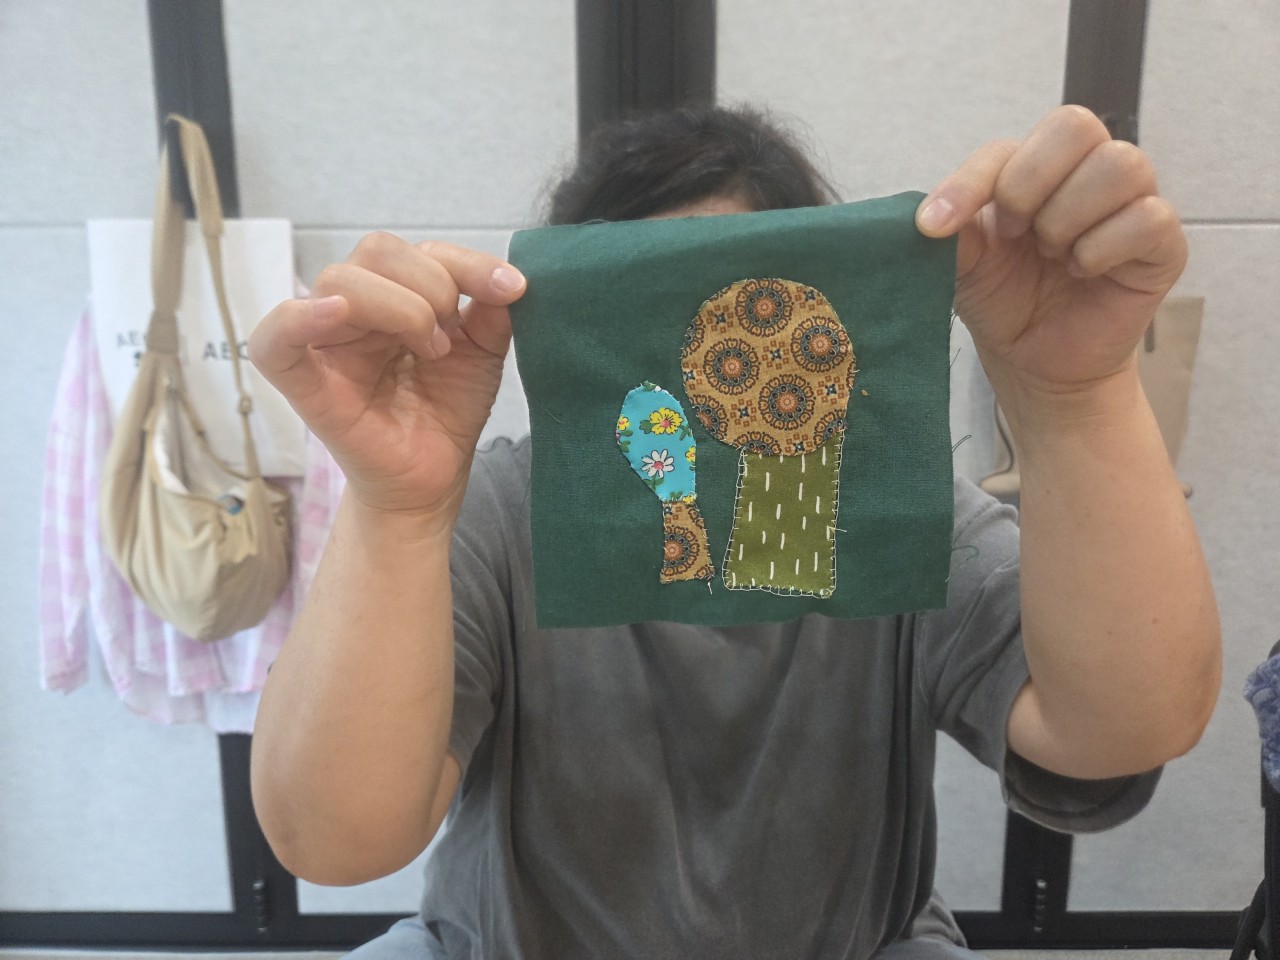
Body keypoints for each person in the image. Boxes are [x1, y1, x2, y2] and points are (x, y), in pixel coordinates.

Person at [246, 105, 1222, 959]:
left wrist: (1074, 396)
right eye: (644, 308)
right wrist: (395, 508)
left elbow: (1123, 727)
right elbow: (330, 838)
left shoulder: (889, 513)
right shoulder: (498, 515)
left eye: (751, 310)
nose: (707, 360)